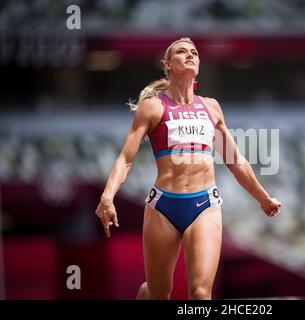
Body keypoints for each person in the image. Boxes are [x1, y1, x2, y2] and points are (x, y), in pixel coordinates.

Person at [95, 37, 282, 300]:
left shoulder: (211, 108)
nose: (190, 55)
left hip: (204, 204)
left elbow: (234, 159)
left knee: (200, 293)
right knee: (159, 293)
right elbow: (126, 158)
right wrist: (107, 195)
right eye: (182, 52)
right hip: (163, 206)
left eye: (194, 52)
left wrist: (263, 198)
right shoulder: (153, 107)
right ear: (168, 64)